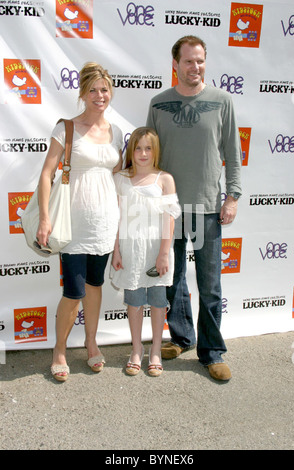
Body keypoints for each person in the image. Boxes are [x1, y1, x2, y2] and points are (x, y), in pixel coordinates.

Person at [146, 36, 242, 381]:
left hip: (205, 210)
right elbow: (150, 157)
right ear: (176, 64)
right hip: (170, 209)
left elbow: (233, 151)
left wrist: (232, 196)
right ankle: (182, 337)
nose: (195, 67)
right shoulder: (159, 104)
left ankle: (212, 351)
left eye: (200, 60)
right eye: (188, 61)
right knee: (171, 280)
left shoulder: (221, 101)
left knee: (210, 284)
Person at [36, 62, 123, 381]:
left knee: (95, 285)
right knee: (73, 291)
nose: (100, 95)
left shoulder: (116, 132)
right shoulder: (66, 128)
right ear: (83, 94)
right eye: (93, 90)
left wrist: (120, 230)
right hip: (72, 224)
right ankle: (59, 349)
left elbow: (116, 179)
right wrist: (45, 217)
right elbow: (46, 174)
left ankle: (90, 342)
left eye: (105, 89)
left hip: (104, 223)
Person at [111, 127, 181, 376]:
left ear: (155, 151)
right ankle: (137, 349)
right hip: (130, 250)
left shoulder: (164, 179)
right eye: (138, 148)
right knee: (134, 301)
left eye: (148, 148)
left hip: (156, 250)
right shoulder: (120, 178)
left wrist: (163, 252)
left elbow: (169, 217)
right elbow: (116, 218)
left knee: (158, 301)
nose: (142, 153)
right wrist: (116, 250)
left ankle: (156, 351)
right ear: (131, 150)